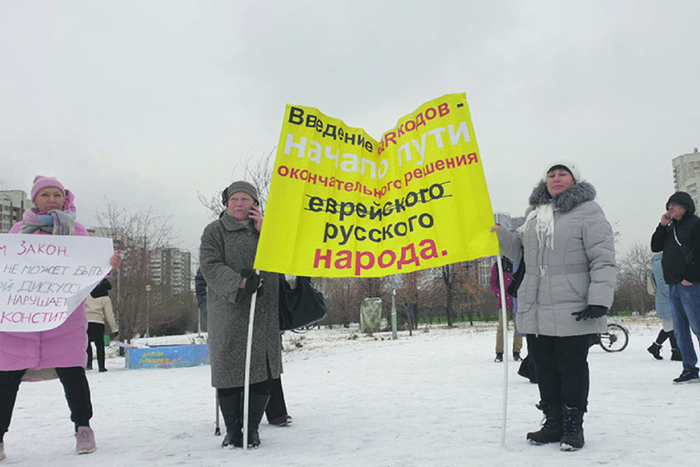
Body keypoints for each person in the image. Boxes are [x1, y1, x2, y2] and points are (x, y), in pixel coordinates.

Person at [491, 160, 615, 451]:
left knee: (571, 366)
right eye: (551, 174)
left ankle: (573, 424)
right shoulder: (534, 214)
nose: (556, 178)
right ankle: (553, 420)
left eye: (563, 174)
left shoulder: (589, 211)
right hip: (535, 303)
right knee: (543, 366)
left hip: (572, 301)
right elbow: (519, 252)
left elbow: (603, 257)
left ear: (574, 180)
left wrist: (599, 298)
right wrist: (499, 233)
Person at [0, 176, 122, 460]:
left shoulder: (76, 232)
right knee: (6, 379)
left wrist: (108, 266)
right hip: (21, 320)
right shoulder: (18, 232)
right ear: (35, 200)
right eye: (45, 195)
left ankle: (83, 428)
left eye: (57, 194)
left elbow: (91, 271)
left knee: (73, 375)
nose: (52, 199)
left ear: (65, 199)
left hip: (64, 319)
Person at [199, 181, 283, 449]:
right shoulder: (214, 231)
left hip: (263, 309)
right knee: (228, 369)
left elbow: (281, 261)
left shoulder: (267, 231)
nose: (239, 203)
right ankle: (234, 430)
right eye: (234, 198)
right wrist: (240, 283)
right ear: (226, 202)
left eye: (245, 199)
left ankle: (253, 428)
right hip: (228, 308)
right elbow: (209, 266)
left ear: (254, 204)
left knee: (262, 369)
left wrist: (266, 233)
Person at [194, 264, 292, 429]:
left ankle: (276, 412)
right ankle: (237, 417)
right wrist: (209, 310)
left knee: (267, 362)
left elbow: (277, 282)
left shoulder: (263, 257)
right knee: (233, 365)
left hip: (262, 316)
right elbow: (202, 283)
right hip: (229, 317)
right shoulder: (217, 258)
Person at [650, 192, 700, 384]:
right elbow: (655, 246)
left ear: (685, 206)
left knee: (697, 326)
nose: (670, 209)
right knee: (680, 330)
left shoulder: (695, 224)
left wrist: (690, 278)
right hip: (673, 285)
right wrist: (662, 226)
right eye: (668, 206)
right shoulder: (670, 228)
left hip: (690, 285)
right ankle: (689, 368)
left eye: (674, 205)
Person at [646, 252, 682, 361]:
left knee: (671, 327)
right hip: (666, 299)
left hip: (668, 298)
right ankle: (675, 352)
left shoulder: (665, 259)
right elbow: (662, 283)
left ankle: (656, 347)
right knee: (671, 326)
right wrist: (675, 295)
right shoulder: (658, 262)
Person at [490, 257, 522, 362]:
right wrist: (499, 294)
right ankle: (499, 352)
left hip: (516, 301)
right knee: (502, 327)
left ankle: (516, 351)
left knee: (519, 327)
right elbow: (493, 282)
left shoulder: (517, 264)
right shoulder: (499, 264)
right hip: (503, 302)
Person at [85, 278, 119, 372]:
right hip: (98, 323)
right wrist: (114, 329)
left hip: (85, 322)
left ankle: (88, 364)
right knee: (99, 345)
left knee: (86, 345)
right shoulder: (105, 299)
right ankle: (101, 366)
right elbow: (109, 315)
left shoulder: (86, 295)